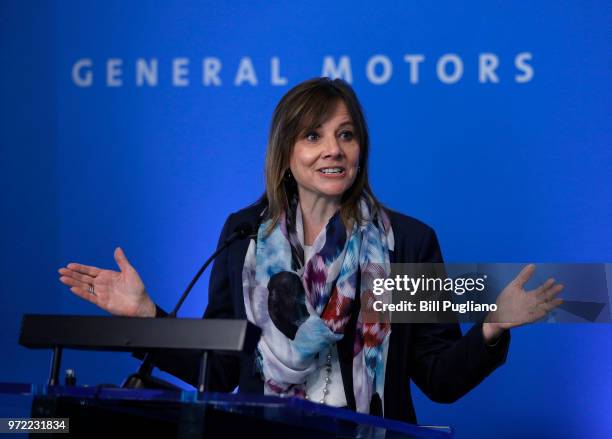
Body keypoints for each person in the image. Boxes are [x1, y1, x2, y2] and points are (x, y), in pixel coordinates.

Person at [58, 77, 563, 424]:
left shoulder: (405, 242)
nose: (333, 150)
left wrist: (491, 328)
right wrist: (148, 316)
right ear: (285, 153)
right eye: (313, 135)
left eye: (346, 135)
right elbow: (225, 369)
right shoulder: (244, 238)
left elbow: (438, 378)